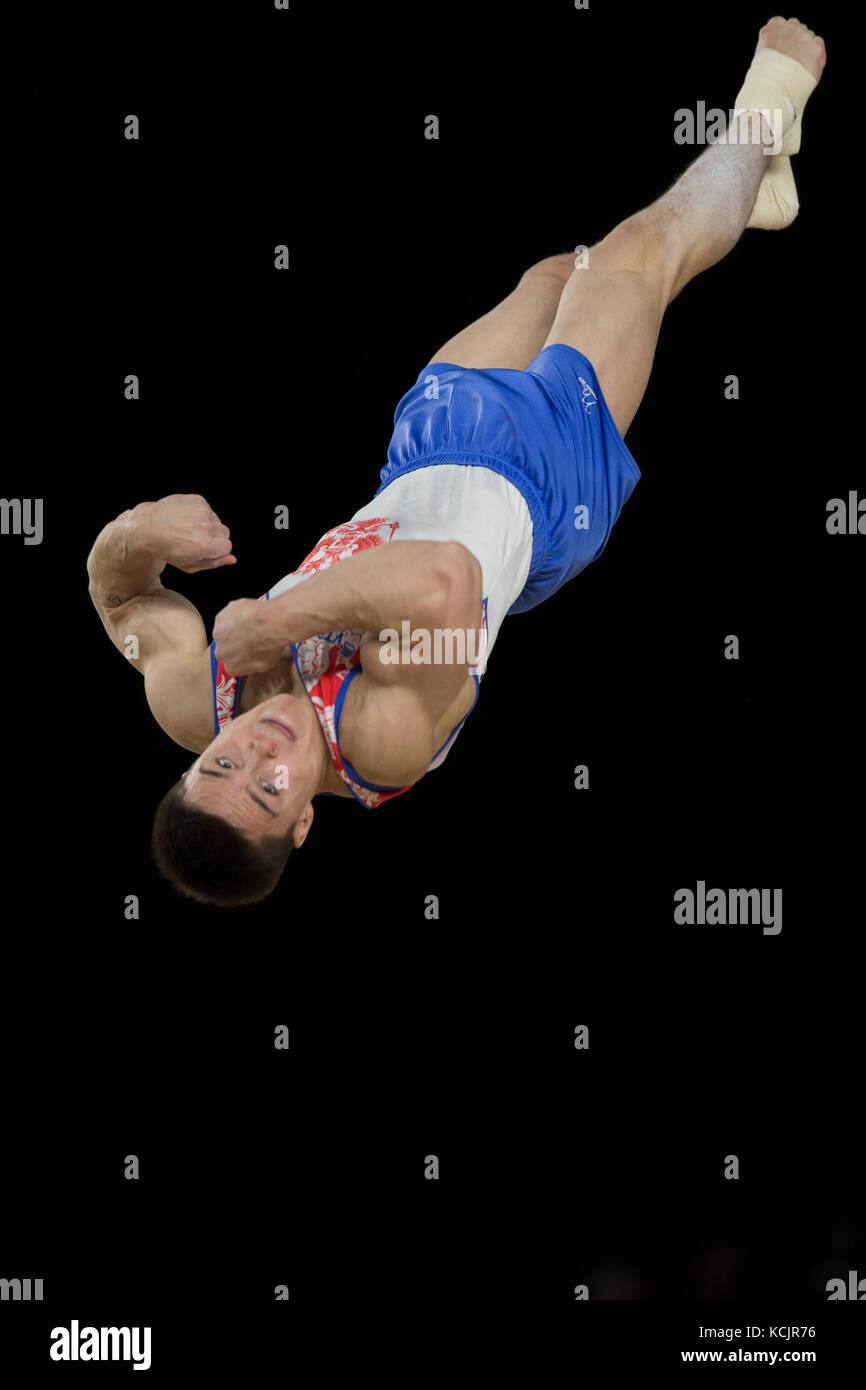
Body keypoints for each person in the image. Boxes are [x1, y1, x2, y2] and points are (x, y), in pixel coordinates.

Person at [86, 17, 826, 907]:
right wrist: (269, 630)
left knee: (561, 273)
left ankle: (749, 193)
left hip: (428, 448)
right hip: (542, 487)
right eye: (268, 788)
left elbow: (123, 599)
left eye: (221, 762)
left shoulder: (193, 703)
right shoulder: (380, 742)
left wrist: (139, 530)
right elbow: (444, 578)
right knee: (643, 252)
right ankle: (767, 107)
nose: (259, 747)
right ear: (304, 822)